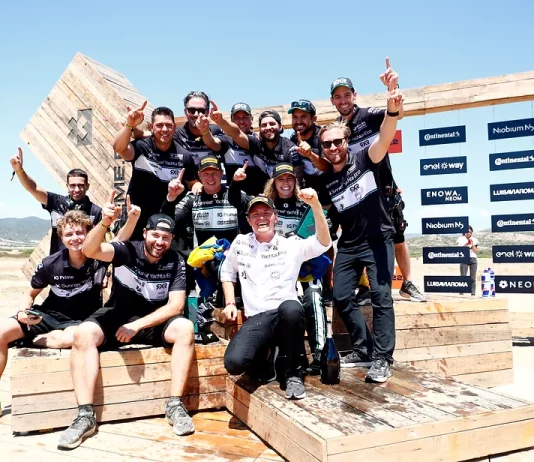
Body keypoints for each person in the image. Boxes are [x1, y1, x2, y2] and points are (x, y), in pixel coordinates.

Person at [57, 197, 195, 449]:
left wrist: (138, 325)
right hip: (117, 315)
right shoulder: (126, 250)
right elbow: (90, 250)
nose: (159, 242)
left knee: (185, 327)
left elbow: (175, 306)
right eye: (155, 235)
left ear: (172, 239)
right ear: (145, 233)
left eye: (165, 238)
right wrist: (104, 222)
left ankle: (175, 405)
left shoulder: (176, 261)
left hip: (151, 322)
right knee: (83, 333)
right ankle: (85, 416)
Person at [320, 71, 403, 383]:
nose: (333, 147)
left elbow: (386, 135)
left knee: (382, 298)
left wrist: (392, 106)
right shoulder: (327, 180)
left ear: (346, 141)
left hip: (378, 238)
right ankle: (364, 347)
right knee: (341, 296)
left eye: (337, 141)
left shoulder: (366, 158)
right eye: (327, 144)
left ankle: (382, 358)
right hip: (350, 244)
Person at [220, 191, 332, 400]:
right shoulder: (240, 243)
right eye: (255, 214)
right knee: (234, 363)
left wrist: (316, 205)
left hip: (285, 315)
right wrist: (230, 302)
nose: (261, 218)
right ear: (248, 220)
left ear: (275, 217)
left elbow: (324, 243)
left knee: (292, 308)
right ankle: (268, 356)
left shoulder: (291, 244)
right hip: (257, 318)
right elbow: (227, 272)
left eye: (266, 213)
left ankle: (293, 374)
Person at [329, 60, 425, 303]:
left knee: (398, 236)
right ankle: (364, 287)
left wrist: (393, 90)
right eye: (338, 97)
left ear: (354, 96)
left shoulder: (368, 115)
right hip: (358, 192)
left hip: (385, 188)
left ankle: (407, 283)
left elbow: (397, 114)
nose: (343, 100)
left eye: (347, 95)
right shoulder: (335, 131)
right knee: (357, 238)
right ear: (332, 101)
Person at [0, 210, 108, 386]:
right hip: (48, 316)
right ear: (62, 238)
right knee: (1, 331)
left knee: (70, 339)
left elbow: (122, 239)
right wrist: (22, 312)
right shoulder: (50, 263)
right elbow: (29, 294)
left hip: (80, 321)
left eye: (80, 232)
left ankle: (29, 340)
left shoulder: (100, 259)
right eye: (69, 234)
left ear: (89, 233)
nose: (75, 238)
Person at [161, 156, 250, 294]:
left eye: (214, 173)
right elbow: (168, 222)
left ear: (221, 173)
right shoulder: (192, 198)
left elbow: (257, 213)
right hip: (204, 258)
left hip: (233, 257)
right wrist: (171, 198)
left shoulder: (235, 194)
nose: (211, 178)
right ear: (199, 176)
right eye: (206, 173)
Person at [113, 104, 198, 240]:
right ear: (151, 127)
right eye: (159, 125)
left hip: (166, 218)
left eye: (169, 125)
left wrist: (200, 188)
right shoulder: (141, 147)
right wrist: (129, 124)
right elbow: (119, 148)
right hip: (136, 215)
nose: (164, 129)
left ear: (174, 128)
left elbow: (193, 183)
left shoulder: (184, 155)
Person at [9, 149, 102, 255]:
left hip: (87, 263)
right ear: (67, 186)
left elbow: (101, 243)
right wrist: (19, 171)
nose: (76, 189)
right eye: (72, 185)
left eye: (80, 185)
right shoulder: (56, 202)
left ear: (87, 186)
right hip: (58, 263)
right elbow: (33, 188)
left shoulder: (96, 212)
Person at [209, 106, 304, 186]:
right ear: (260, 129)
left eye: (272, 124)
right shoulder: (256, 144)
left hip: (285, 194)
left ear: (280, 127)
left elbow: (298, 181)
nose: (268, 127)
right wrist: (221, 121)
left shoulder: (290, 148)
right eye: (264, 125)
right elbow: (237, 134)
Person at [218, 102, 265, 195]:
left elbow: (238, 134)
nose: (241, 122)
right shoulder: (225, 140)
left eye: (245, 117)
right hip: (233, 197)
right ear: (231, 120)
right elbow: (213, 143)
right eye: (236, 118)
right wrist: (205, 131)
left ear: (252, 119)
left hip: (258, 197)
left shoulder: (260, 140)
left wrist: (220, 121)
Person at [457, 226, 478, 296]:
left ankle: (473, 292)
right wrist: (465, 245)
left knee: (473, 277)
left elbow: (476, 251)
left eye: (470, 232)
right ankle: (462, 291)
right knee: (463, 276)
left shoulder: (474, 239)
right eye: (467, 232)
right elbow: (458, 249)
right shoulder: (460, 239)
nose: (469, 233)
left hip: (473, 259)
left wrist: (472, 245)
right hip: (464, 258)